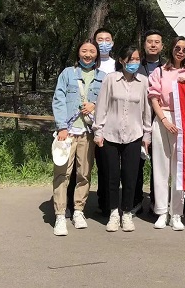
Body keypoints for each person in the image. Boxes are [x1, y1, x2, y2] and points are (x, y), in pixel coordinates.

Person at [92, 45, 151, 233]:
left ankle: (126, 212)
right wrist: (98, 131)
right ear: (121, 60)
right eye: (130, 59)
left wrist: (147, 134)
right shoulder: (110, 79)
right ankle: (113, 213)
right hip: (110, 134)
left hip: (134, 135)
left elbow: (146, 110)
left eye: (137, 59)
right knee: (112, 176)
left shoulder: (143, 81)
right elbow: (101, 107)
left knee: (130, 175)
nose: (134, 62)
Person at [51, 39, 107, 236]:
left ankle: (78, 210)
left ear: (97, 55)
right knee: (62, 173)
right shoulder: (67, 73)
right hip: (67, 132)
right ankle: (60, 214)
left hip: (88, 133)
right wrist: (61, 127)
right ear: (78, 53)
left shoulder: (103, 77)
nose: (88, 54)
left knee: (84, 173)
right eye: (84, 51)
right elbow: (58, 99)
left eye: (92, 51)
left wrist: (94, 105)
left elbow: (107, 103)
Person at [149, 36, 185, 231]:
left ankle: (177, 213)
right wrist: (164, 120)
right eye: (177, 48)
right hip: (163, 118)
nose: (180, 52)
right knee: (161, 167)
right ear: (171, 49)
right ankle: (162, 212)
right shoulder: (160, 71)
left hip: (183, 120)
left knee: (179, 169)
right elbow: (154, 98)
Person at [66, 28, 116, 218]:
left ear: (112, 42)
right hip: (80, 125)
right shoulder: (73, 71)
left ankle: (105, 205)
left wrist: (96, 104)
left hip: (106, 124)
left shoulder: (117, 65)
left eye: (107, 39)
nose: (104, 43)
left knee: (104, 166)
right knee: (75, 168)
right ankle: (70, 205)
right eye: (99, 40)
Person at [134, 29, 165, 215]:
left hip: (161, 122)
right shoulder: (135, 66)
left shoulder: (168, 67)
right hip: (137, 123)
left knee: (159, 166)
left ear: (162, 46)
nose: (153, 45)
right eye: (149, 41)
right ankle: (135, 201)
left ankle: (156, 202)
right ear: (144, 44)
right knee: (136, 165)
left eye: (157, 42)